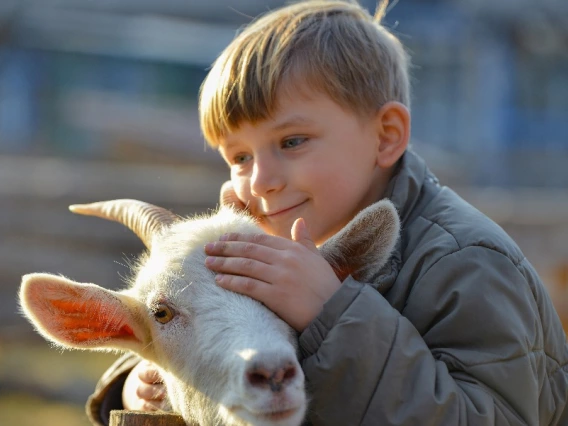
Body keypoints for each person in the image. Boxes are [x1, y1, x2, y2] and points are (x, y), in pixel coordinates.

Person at [86, 0, 568, 425]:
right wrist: (150, 378)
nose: (260, 180)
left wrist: (331, 315)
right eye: (239, 157)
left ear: (386, 136)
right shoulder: (288, 237)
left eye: (291, 142)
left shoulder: (467, 263)